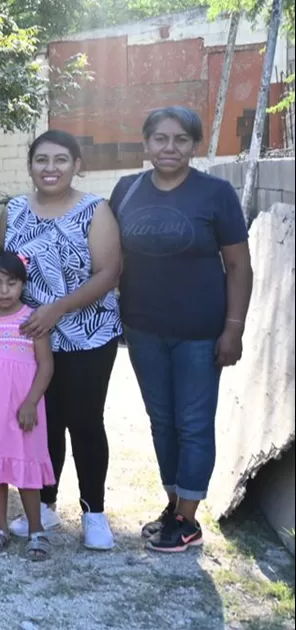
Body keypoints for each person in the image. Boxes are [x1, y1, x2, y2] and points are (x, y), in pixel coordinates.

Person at [111, 106, 253, 553]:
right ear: (146, 143)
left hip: (200, 332)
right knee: (162, 422)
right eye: (160, 138)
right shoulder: (126, 190)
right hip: (142, 329)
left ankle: (188, 520)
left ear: (194, 145)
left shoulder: (215, 193)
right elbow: (112, 258)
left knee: (193, 423)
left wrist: (233, 329)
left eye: (181, 139)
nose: (169, 147)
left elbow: (239, 265)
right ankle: (174, 506)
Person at [0, 129, 122, 550]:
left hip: (88, 334)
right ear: (30, 165)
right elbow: (3, 270)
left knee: (84, 421)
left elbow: (108, 273)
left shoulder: (95, 210)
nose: (50, 168)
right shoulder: (14, 210)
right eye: (42, 160)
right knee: (41, 423)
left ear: (76, 165)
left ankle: (94, 512)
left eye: (61, 160)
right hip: (31, 338)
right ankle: (46, 504)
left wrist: (58, 308)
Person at [0, 252, 55, 560]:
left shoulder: (32, 320)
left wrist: (31, 402)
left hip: (23, 411)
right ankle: (0, 527)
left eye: (12, 283)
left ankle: (36, 530)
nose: (4, 291)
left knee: (27, 470)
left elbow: (46, 365)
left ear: (23, 284)